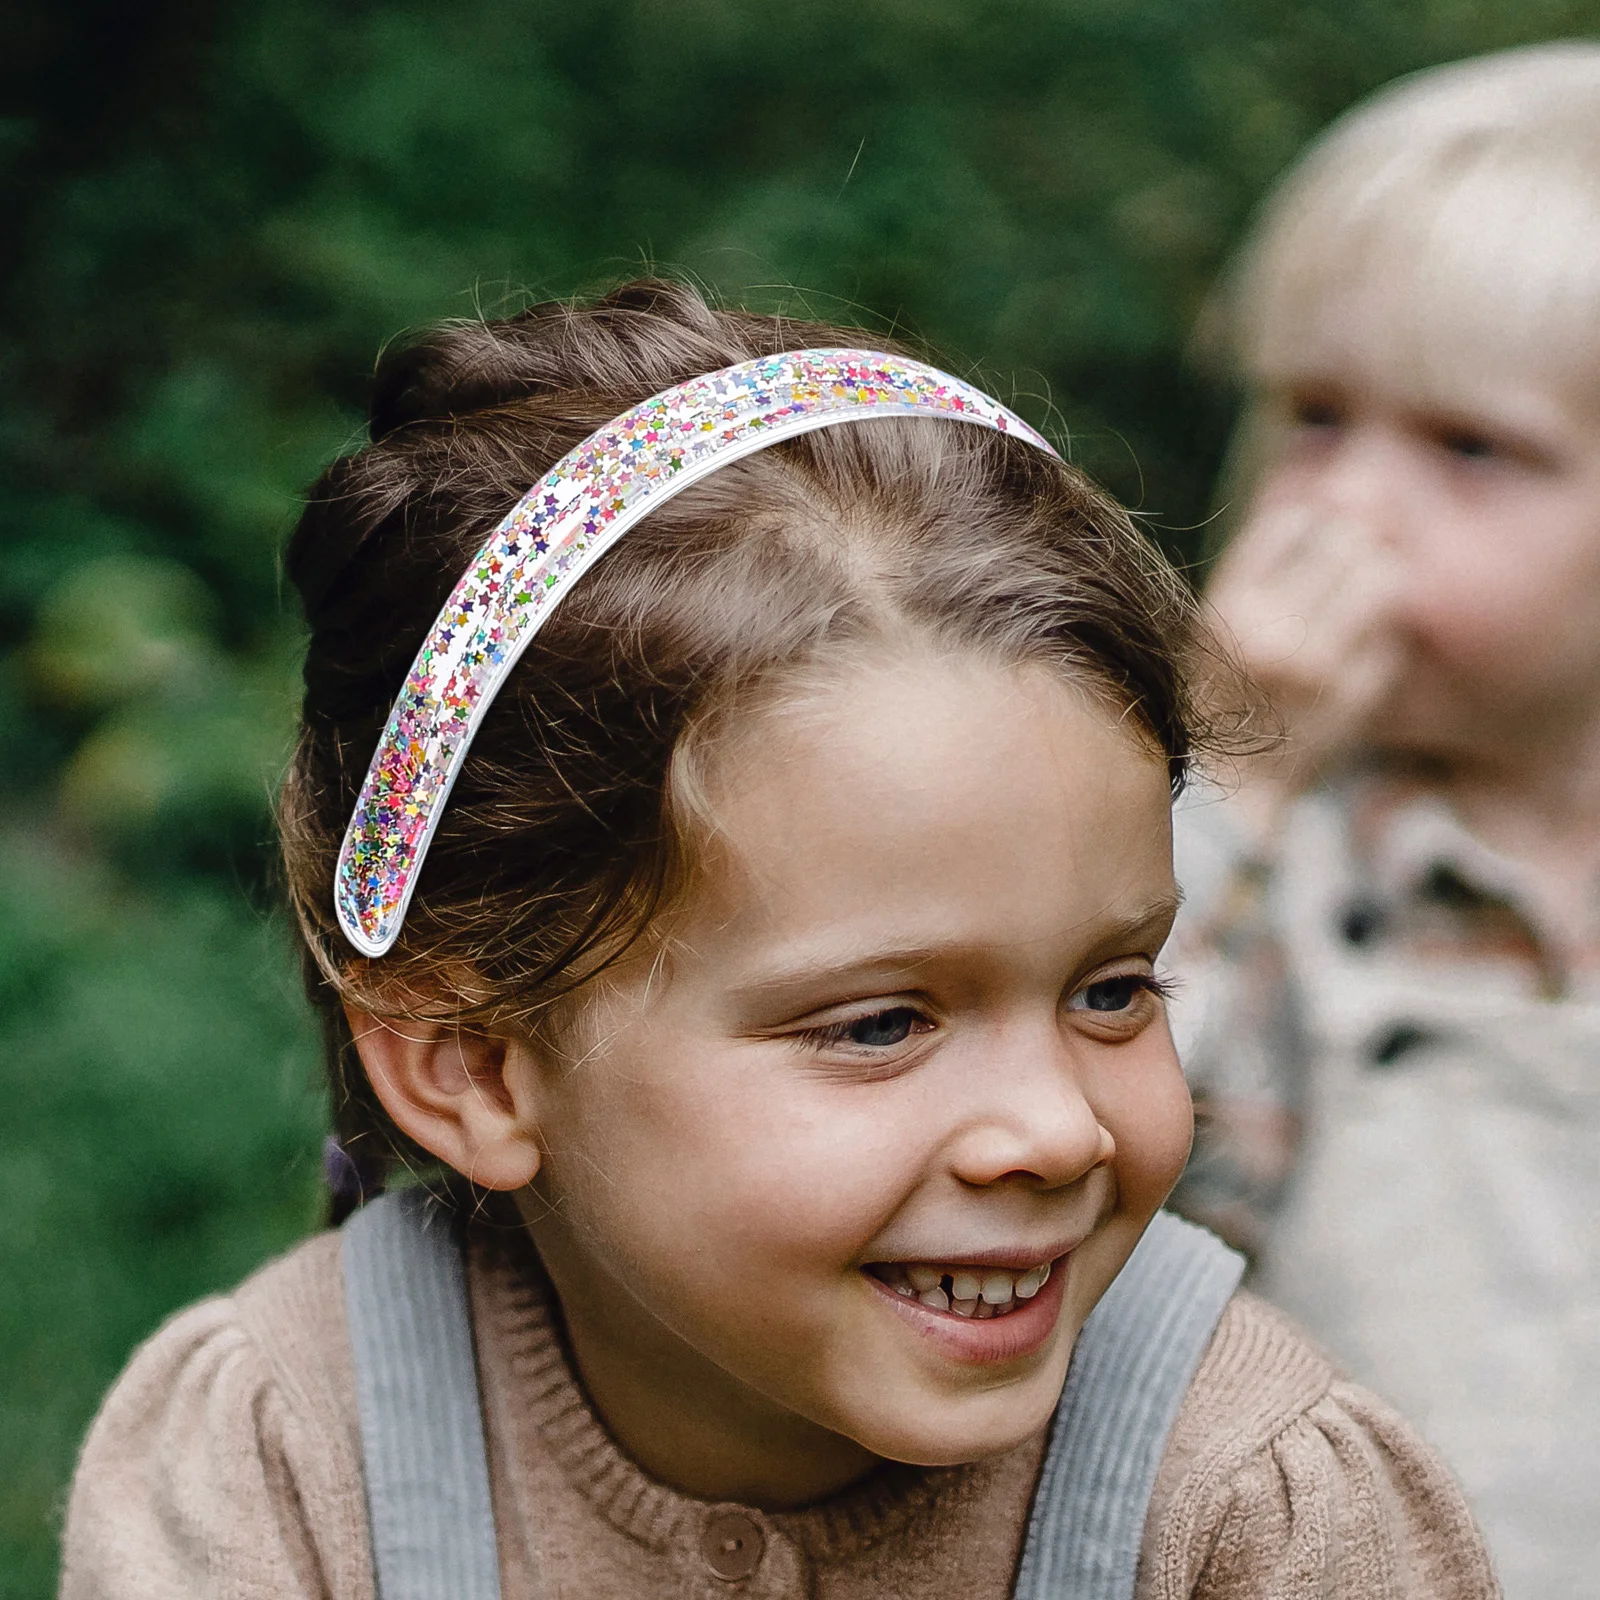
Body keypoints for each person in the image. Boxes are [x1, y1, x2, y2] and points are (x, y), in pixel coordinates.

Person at [59, 281, 1495, 1600]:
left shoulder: (1258, 1509)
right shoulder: (281, 1463)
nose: (1057, 1132)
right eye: (882, 1024)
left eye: (1113, 990)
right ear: (473, 1063)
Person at [1165, 43, 1600, 1600]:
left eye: (1469, 447)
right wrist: (1232, 769)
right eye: (1315, 417)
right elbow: (1089, 1156)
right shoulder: (1263, 850)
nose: (1344, 506)